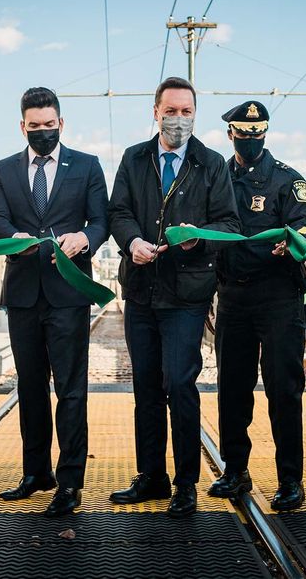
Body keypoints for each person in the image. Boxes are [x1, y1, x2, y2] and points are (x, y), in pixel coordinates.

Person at [108, 76, 240, 518]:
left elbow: (229, 224)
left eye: (187, 112)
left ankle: (185, 482)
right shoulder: (134, 158)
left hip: (187, 293)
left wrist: (196, 240)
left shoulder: (211, 163)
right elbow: (118, 212)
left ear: (195, 115)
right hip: (141, 289)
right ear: (155, 111)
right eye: (171, 110)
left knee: (179, 384)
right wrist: (131, 243)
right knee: (145, 386)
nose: (178, 119)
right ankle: (151, 476)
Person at [0, 87, 109, 518]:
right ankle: (35, 472)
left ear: (61, 123)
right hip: (23, 294)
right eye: (34, 126)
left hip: (68, 292)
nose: (42, 131)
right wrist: (10, 237)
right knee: (31, 387)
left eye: (49, 125)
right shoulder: (3, 169)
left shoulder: (88, 166)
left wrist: (86, 239)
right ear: (23, 126)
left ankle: (70, 482)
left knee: (71, 391)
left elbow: (101, 221)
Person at [207, 101, 306, 511]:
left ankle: (291, 479)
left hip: (278, 296)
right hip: (232, 296)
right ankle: (235, 471)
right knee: (232, 390)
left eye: (258, 134)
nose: (251, 140)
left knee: (284, 390)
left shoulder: (288, 179)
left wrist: (295, 238)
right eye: (243, 133)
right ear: (231, 134)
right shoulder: (218, 177)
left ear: (265, 134)